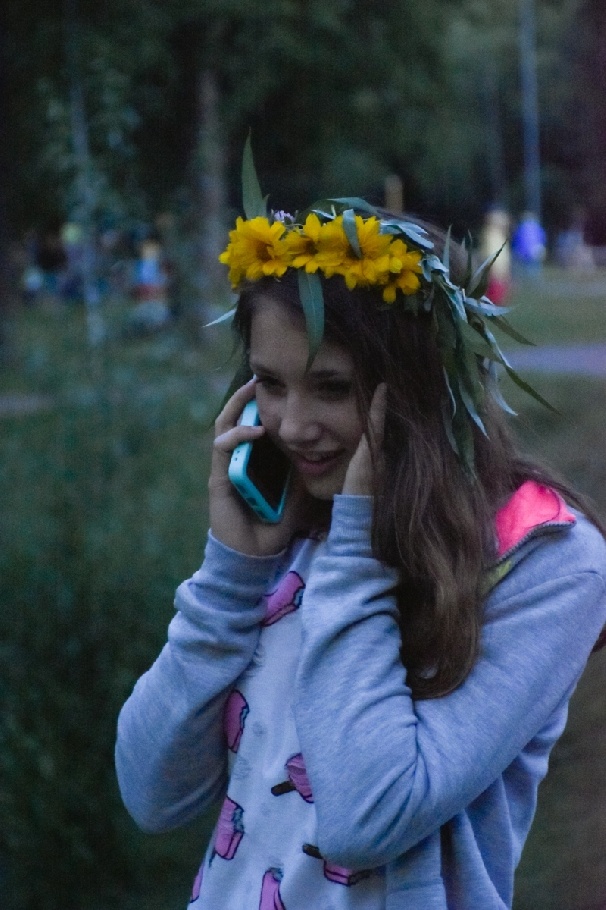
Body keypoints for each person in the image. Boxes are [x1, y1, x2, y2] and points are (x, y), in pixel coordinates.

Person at [115, 153, 606, 910]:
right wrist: (228, 579)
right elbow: (152, 794)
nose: (291, 426)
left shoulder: (544, 556)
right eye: (269, 384)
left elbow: (364, 818)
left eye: (332, 387)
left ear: (421, 387)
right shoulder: (286, 525)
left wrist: (354, 548)